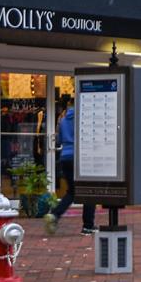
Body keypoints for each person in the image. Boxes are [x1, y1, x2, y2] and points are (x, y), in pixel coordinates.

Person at [43, 95, 92, 235]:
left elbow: (59, 140)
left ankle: (55, 214)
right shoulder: (83, 118)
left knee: (72, 191)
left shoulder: (63, 120)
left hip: (65, 157)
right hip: (80, 157)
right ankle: (88, 225)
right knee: (89, 190)